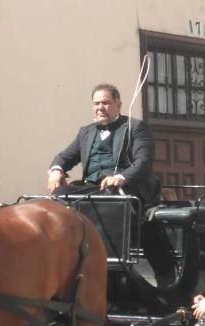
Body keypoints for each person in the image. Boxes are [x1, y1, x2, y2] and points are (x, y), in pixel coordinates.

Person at [47, 83, 172, 283]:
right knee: (60, 196)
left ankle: (113, 264)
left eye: (105, 102)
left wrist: (121, 177)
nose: (100, 107)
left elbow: (143, 162)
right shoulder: (86, 132)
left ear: (118, 104)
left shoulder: (135, 128)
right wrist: (56, 171)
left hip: (127, 189)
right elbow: (64, 157)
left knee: (111, 200)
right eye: (96, 103)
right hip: (93, 188)